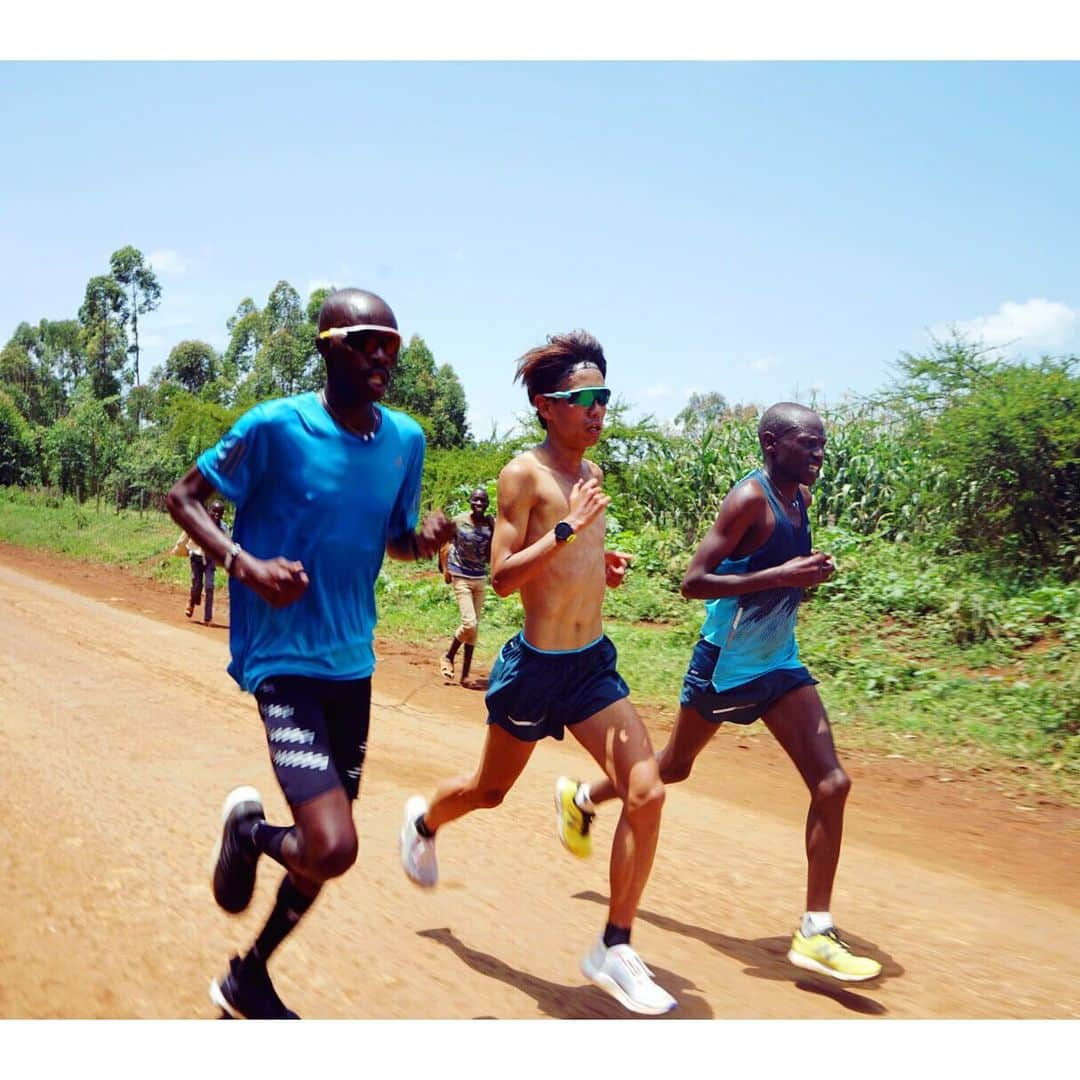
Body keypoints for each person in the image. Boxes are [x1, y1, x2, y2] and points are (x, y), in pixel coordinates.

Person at [166, 288, 455, 1019]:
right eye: (365, 341)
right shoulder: (275, 426)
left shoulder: (405, 442)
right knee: (333, 844)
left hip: (351, 664)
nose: (383, 355)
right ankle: (250, 833)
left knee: (324, 850)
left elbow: (394, 534)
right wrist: (246, 566)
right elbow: (184, 497)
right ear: (328, 346)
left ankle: (249, 977)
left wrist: (422, 543)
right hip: (282, 657)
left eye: (392, 342)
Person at [399, 330, 676, 1016]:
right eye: (584, 398)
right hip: (534, 671)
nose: (598, 409)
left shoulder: (591, 477)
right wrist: (566, 534)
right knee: (488, 792)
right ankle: (425, 821)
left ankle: (614, 946)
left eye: (603, 396)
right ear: (546, 405)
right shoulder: (523, 474)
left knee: (646, 792)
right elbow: (499, 579)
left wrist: (598, 567)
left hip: (590, 668)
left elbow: (572, 565)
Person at [558, 402, 883, 983]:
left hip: (779, 663)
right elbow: (693, 581)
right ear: (770, 443)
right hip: (725, 667)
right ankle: (585, 798)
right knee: (673, 767)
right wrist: (781, 577)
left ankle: (815, 930)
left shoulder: (799, 499)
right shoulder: (750, 499)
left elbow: (777, 569)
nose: (818, 453)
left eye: (821, 444)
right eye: (807, 443)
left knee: (832, 782)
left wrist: (807, 570)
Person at [440, 487, 495, 685]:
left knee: (474, 628)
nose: (479, 504)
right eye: (476, 500)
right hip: (460, 574)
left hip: (479, 576)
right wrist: (445, 570)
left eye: (483, 501)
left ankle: (464, 675)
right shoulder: (458, 521)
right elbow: (444, 544)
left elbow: (494, 551)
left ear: (487, 504)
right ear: (470, 502)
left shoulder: (491, 524)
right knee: (469, 623)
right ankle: (448, 656)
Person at [174, 500, 230, 624]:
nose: (216, 515)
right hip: (196, 556)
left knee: (210, 587)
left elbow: (228, 545)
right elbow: (187, 534)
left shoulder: (223, 528)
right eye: (214, 512)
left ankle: (208, 617)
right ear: (209, 511)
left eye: (219, 513)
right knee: (197, 585)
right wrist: (181, 547)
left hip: (210, 560)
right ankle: (192, 602)